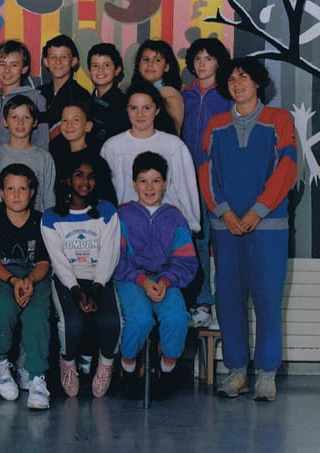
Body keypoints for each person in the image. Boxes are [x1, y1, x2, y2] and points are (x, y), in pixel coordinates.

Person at [200, 57, 297, 402]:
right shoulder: (215, 125)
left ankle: (267, 375)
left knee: (268, 300)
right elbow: (206, 172)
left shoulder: (278, 119)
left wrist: (258, 210)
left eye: (244, 77)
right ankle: (237, 371)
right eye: (231, 79)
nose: (237, 83)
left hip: (268, 227)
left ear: (257, 82)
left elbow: (287, 168)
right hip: (225, 227)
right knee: (228, 299)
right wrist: (224, 212)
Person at [114, 152, 197, 400]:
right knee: (140, 320)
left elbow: (186, 261)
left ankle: (167, 367)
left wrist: (165, 281)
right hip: (131, 279)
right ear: (133, 184)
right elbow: (116, 259)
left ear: (165, 183)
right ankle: (128, 365)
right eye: (143, 181)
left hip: (165, 280)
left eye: (156, 181)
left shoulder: (175, 218)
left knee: (176, 318)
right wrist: (143, 281)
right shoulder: (123, 215)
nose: (149, 187)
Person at [41, 156, 120, 399]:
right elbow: (58, 261)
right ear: (68, 179)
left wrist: (96, 289)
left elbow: (109, 253)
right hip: (67, 280)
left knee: (113, 323)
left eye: (91, 176)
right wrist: (77, 292)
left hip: (99, 278)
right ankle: (68, 362)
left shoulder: (106, 211)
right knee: (72, 323)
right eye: (79, 175)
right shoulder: (51, 217)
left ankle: (105, 365)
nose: (85, 182)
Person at [0, 164, 52, 409]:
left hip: (34, 275)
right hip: (3, 275)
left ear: (32, 192)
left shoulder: (41, 221)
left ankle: (36, 376)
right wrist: (13, 281)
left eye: (22, 189)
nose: (16, 195)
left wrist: (30, 281)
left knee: (37, 314)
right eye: (10, 189)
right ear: (1, 192)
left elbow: (44, 262)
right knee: (4, 308)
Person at [101, 82, 199, 232]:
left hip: (167, 226)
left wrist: (190, 226)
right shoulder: (112, 147)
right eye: (134, 108)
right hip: (127, 227)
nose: (140, 114)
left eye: (146, 108)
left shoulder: (173, 145)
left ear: (157, 110)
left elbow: (187, 190)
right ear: (126, 109)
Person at [182, 38, 232, 328]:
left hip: (220, 179)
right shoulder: (183, 96)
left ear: (218, 63)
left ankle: (226, 306)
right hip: (190, 180)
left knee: (224, 244)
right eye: (198, 58)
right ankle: (203, 304)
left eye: (208, 58)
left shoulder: (227, 95)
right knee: (197, 243)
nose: (202, 64)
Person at [49, 99, 116, 206]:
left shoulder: (96, 162)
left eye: (75, 120)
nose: (69, 125)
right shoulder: (57, 157)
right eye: (64, 120)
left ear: (88, 126)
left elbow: (107, 199)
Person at [0, 40, 49, 150]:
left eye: (14, 65)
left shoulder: (35, 98)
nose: (7, 70)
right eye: (3, 64)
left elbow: (43, 140)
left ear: (24, 69)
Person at [0, 95, 55, 211]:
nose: (20, 122)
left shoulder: (44, 157)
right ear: (5, 121)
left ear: (35, 122)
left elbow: (49, 198)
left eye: (26, 117)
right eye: (14, 117)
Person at [38, 34, 90, 138]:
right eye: (53, 57)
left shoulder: (81, 96)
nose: (58, 62)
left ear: (73, 61)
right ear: (46, 62)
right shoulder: (38, 93)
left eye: (64, 57)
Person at [130, 39, 183, 135]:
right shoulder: (133, 93)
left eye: (157, 60)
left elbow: (172, 134)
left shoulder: (170, 95)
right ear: (138, 65)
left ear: (166, 67)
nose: (150, 64)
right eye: (146, 59)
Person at [86, 42, 130, 145]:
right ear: (89, 71)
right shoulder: (85, 101)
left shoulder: (123, 105)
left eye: (106, 65)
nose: (100, 70)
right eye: (95, 65)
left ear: (117, 70)